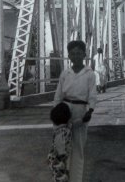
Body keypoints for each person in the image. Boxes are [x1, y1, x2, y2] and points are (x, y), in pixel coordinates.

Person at [53, 40, 97, 182]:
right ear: (69, 56)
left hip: (80, 111)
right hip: (64, 111)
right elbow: (58, 95)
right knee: (60, 148)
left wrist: (89, 112)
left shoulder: (89, 74)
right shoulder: (65, 74)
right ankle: (60, 178)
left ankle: (76, 180)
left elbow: (92, 95)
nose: (76, 56)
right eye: (72, 54)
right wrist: (56, 114)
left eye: (79, 53)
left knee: (78, 147)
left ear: (84, 54)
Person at [47, 102, 72, 182]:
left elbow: (61, 151)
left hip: (58, 162)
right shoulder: (64, 131)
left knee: (58, 178)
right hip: (61, 162)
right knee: (62, 178)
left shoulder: (61, 132)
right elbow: (61, 149)